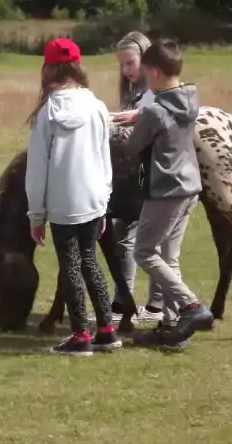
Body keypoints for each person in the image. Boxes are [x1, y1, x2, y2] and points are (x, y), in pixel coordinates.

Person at [111, 39, 214, 348]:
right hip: (189, 188)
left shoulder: (155, 111)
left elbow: (131, 147)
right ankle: (173, 330)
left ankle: (192, 307)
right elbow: (163, 123)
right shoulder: (189, 99)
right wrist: (141, 117)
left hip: (166, 190)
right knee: (170, 258)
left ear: (153, 71)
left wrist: (130, 124)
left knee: (143, 251)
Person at [25, 38, 122, 356]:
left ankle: (81, 335)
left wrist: (36, 216)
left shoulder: (47, 113)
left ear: (48, 69)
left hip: (63, 203)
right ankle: (107, 330)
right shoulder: (96, 106)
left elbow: (37, 169)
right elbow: (104, 157)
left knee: (70, 265)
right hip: (93, 198)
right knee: (90, 260)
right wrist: (104, 203)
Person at [104, 30, 164, 325]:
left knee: (143, 238)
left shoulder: (154, 95)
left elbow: (151, 117)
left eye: (131, 63)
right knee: (129, 236)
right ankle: (127, 300)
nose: (127, 70)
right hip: (137, 175)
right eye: (123, 65)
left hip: (151, 175)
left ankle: (150, 305)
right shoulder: (137, 95)